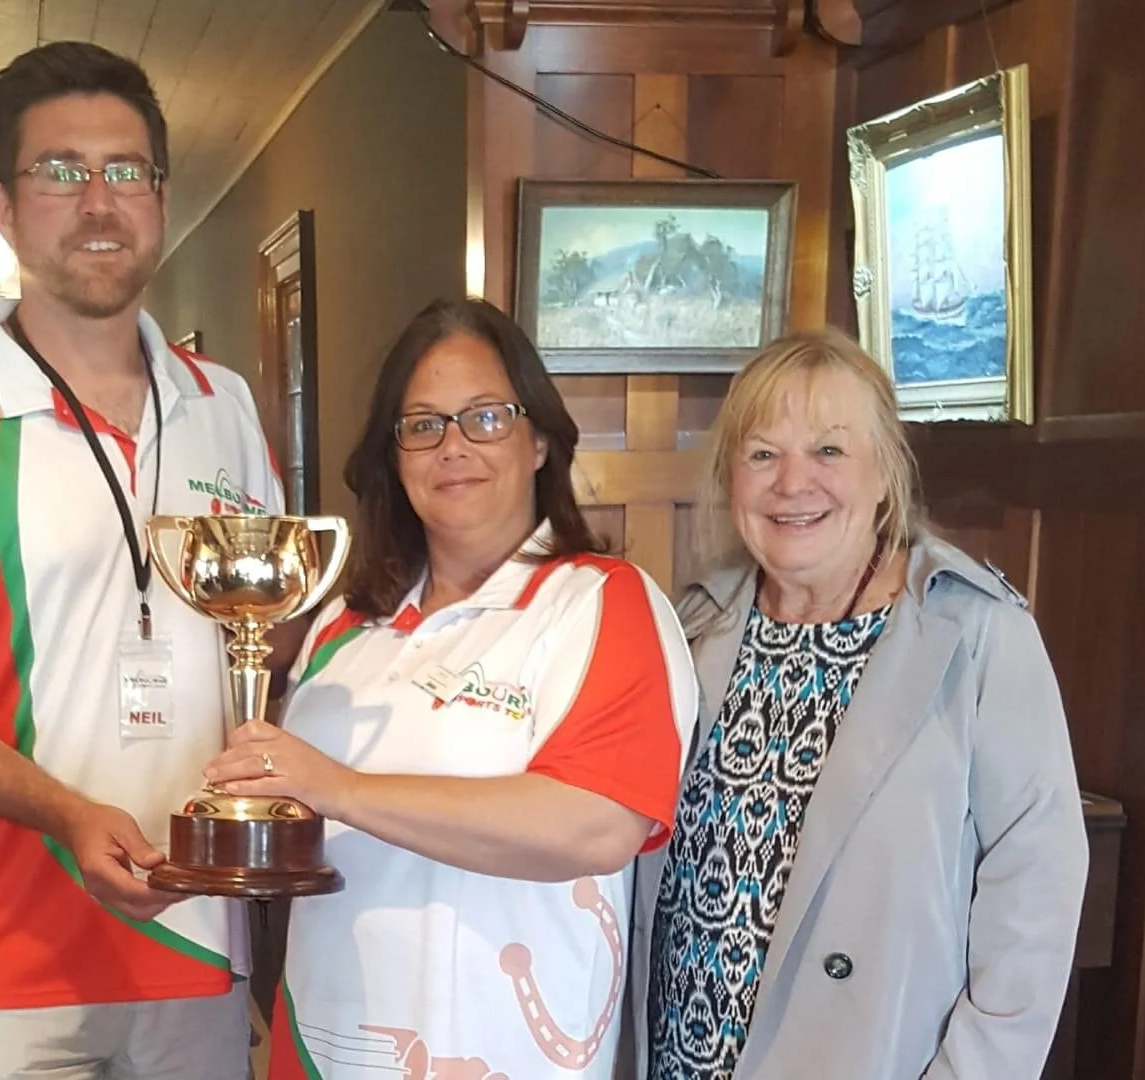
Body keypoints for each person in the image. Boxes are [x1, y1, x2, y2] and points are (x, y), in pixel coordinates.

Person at [0, 41, 293, 1080]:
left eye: (126, 170)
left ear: (161, 194)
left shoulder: (226, 406)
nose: (98, 201)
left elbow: (272, 630)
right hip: (2, 963)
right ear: (2, 204)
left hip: (199, 937)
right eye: (60, 173)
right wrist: (67, 814)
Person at [203, 297, 700, 1079]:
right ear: (394, 456)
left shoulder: (601, 600)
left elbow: (595, 825)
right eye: (423, 425)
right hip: (325, 1048)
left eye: (487, 418)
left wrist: (342, 788)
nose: (453, 447)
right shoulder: (343, 624)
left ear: (539, 439)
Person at [627, 328, 1088, 1080]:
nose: (792, 483)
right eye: (763, 453)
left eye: (830, 451)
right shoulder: (690, 629)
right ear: (731, 478)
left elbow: (1036, 889)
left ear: (886, 476)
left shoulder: (975, 635)